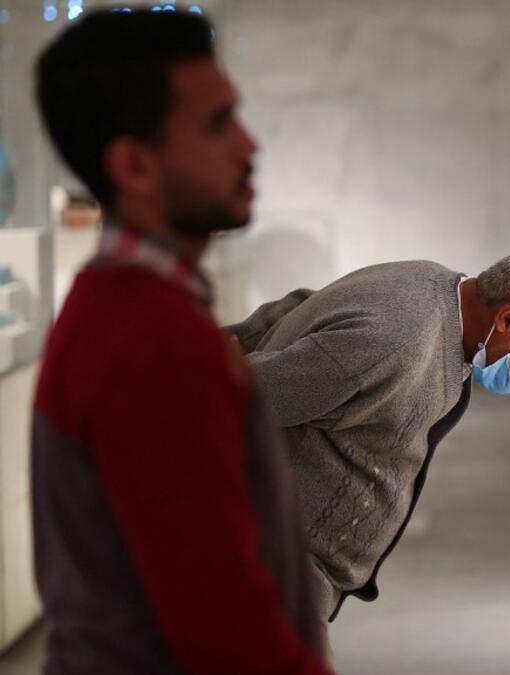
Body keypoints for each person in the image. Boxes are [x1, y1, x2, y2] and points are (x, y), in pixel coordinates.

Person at [31, 10, 331, 674]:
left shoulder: (126, 308)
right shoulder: (151, 343)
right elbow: (224, 628)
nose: (249, 145)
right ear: (135, 165)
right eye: (218, 125)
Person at [227, 249, 510, 620]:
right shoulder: (393, 345)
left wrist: (230, 338)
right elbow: (229, 396)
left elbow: (304, 305)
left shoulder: (432, 284)